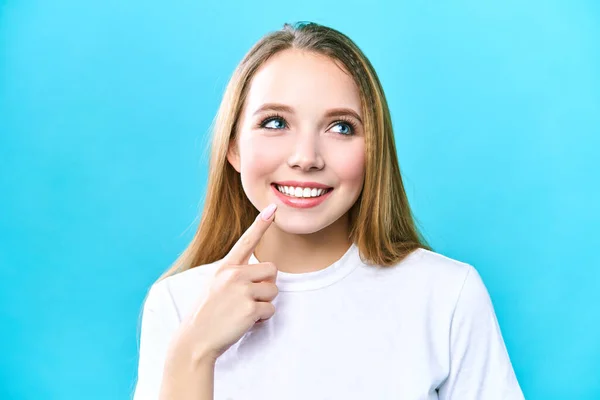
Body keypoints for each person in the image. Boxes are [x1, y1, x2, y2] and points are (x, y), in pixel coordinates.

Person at [132, 22, 524, 400]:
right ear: (233, 147)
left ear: (374, 151)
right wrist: (194, 351)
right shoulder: (177, 304)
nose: (306, 158)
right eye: (274, 122)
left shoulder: (447, 296)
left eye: (340, 127)